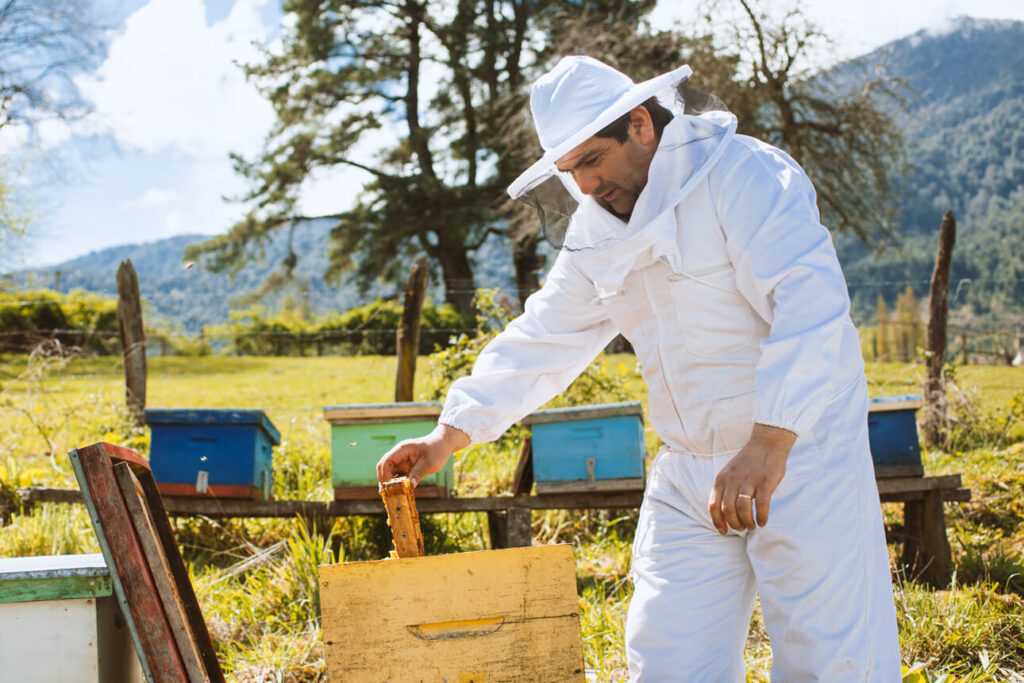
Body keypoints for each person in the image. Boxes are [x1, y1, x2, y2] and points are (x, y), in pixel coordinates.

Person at [377, 56, 901, 681]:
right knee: (668, 662)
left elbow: (811, 307)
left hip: (799, 454)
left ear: (641, 126)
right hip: (688, 470)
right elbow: (547, 334)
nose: (587, 187)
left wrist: (769, 440)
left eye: (593, 161)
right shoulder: (596, 235)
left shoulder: (746, 176)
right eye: (571, 173)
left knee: (833, 661)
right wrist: (451, 431)